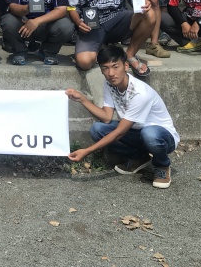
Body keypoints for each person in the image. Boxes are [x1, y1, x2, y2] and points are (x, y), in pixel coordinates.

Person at [66, 45, 179, 189]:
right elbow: (106, 117)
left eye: (115, 66)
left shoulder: (139, 93)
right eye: (105, 68)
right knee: (98, 129)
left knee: (149, 134)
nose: (111, 73)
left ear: (126, 66)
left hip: (162, 136)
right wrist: (82, 99)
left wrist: (87, 151)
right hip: (136, 132)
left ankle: (162, 165)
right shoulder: (109, 84)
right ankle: (140, 157)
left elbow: (120, 132)